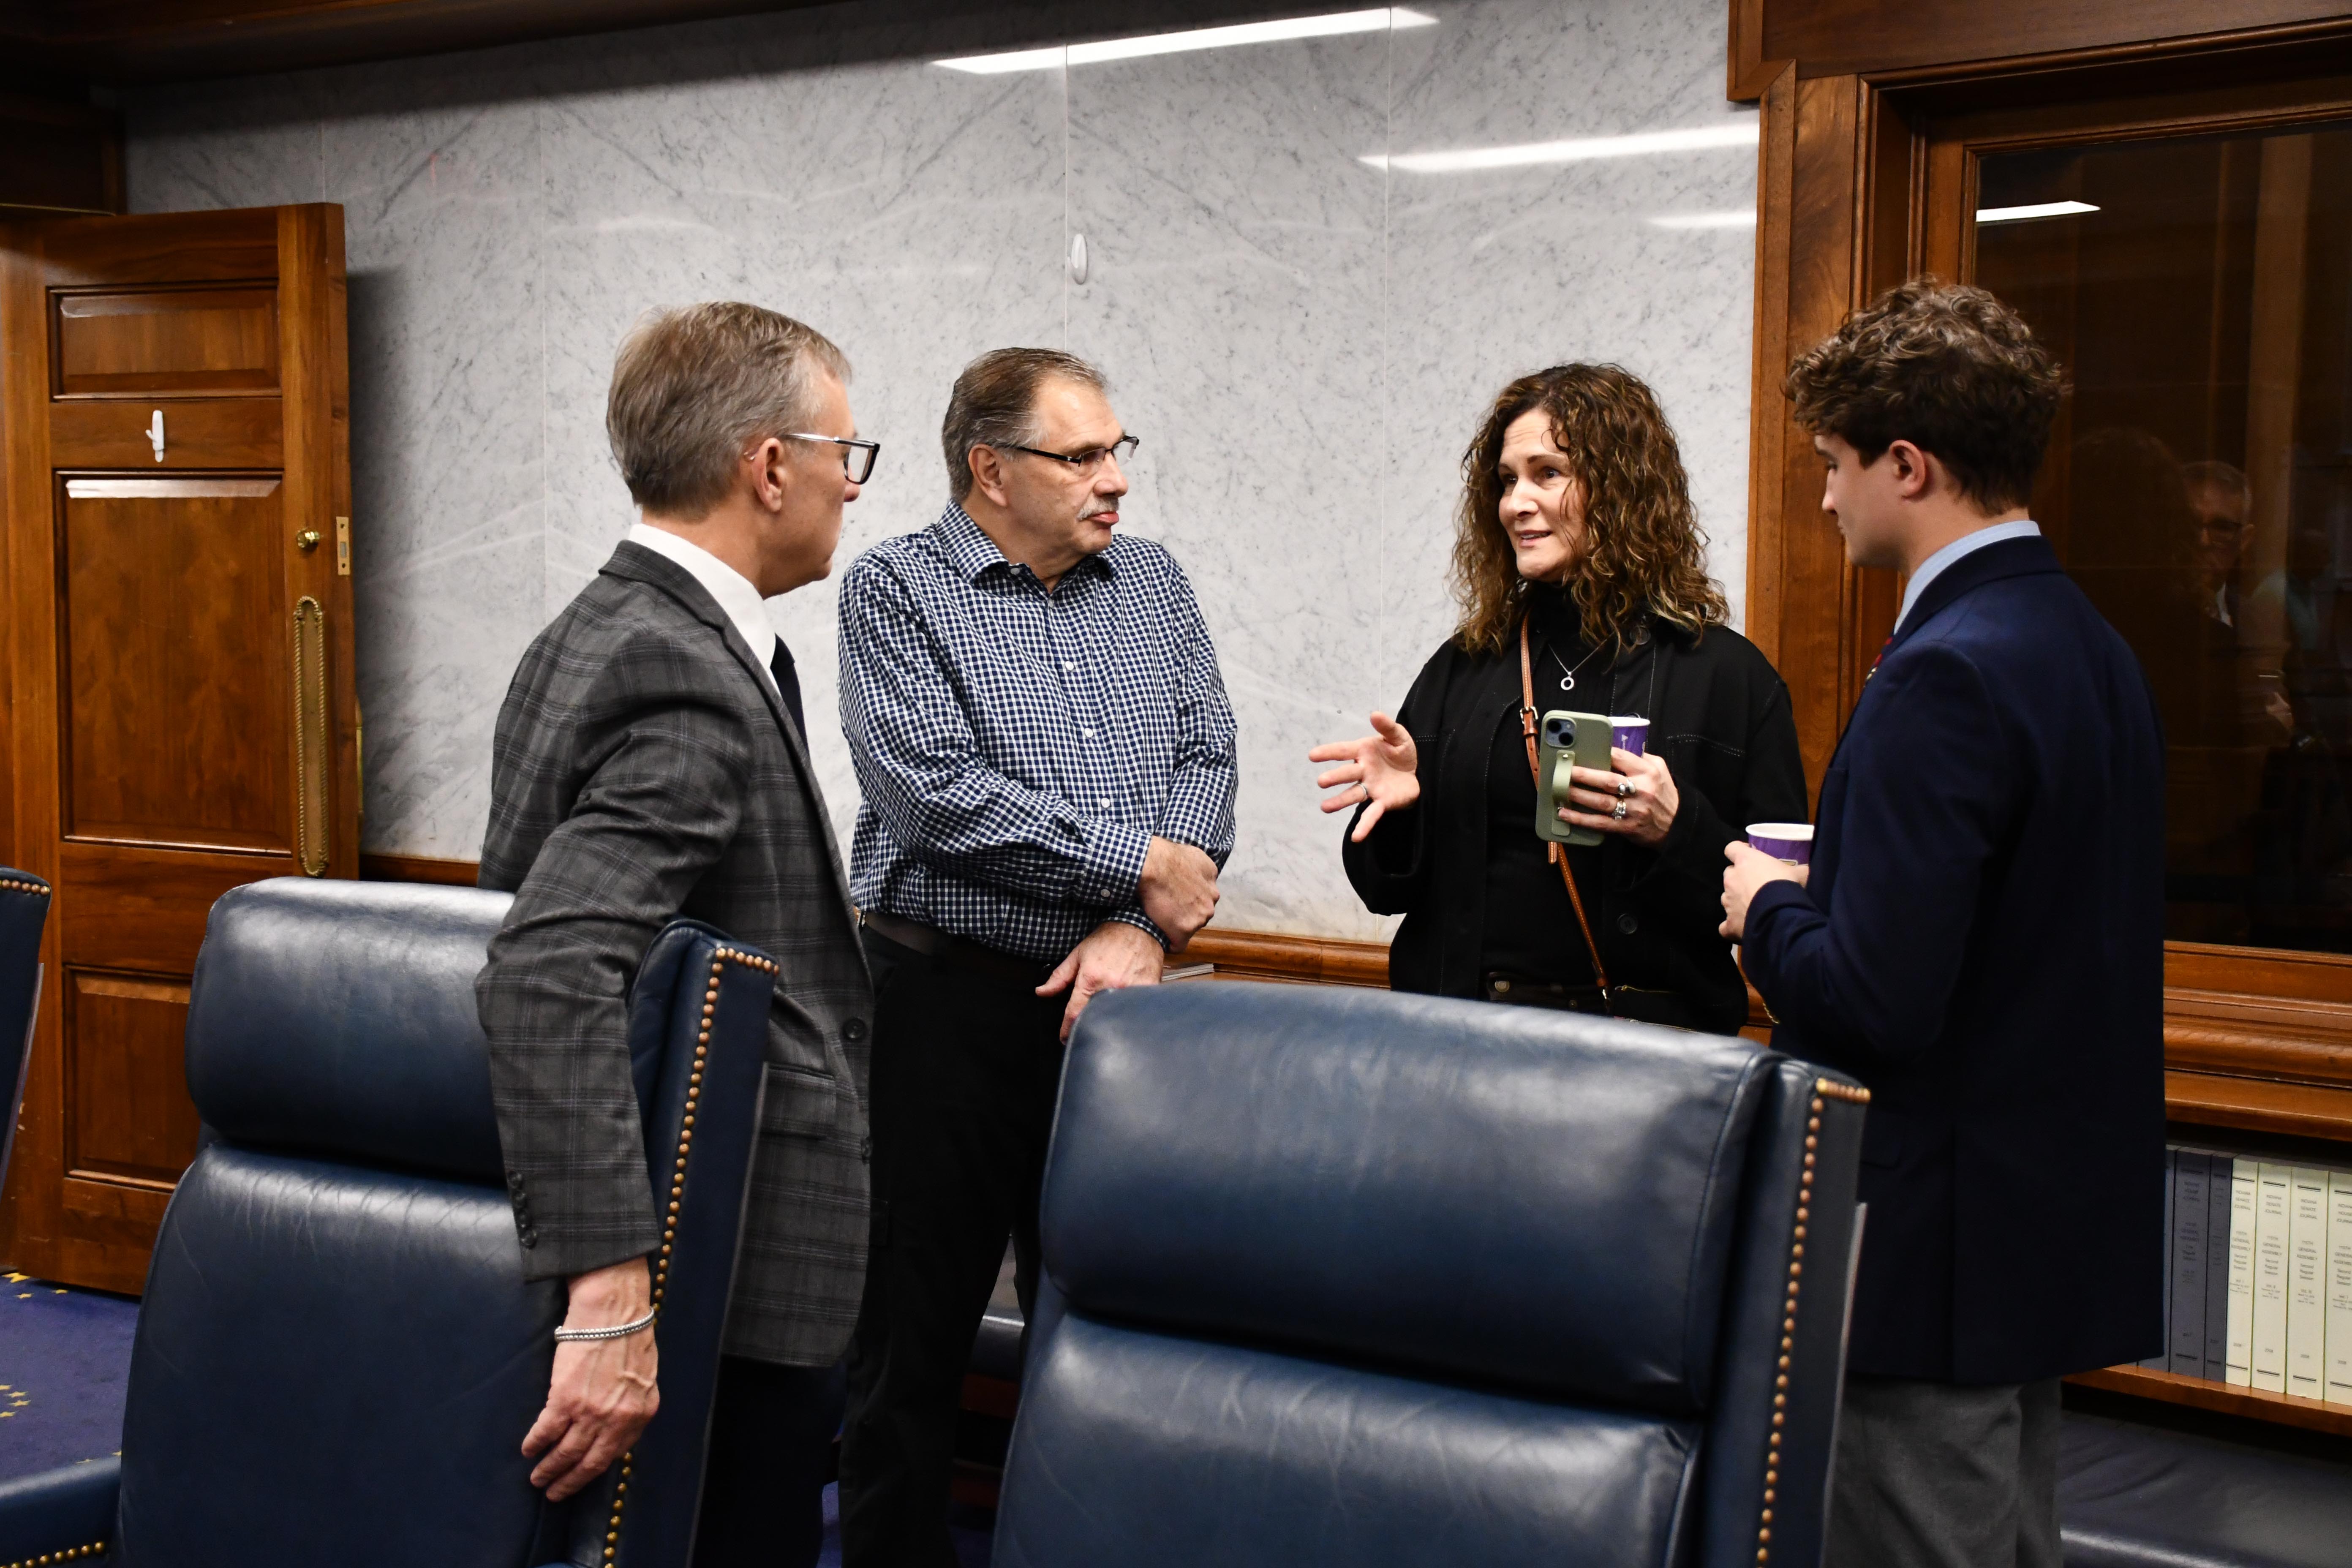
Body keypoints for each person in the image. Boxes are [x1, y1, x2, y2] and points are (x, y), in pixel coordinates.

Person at [1719, 279, 2165, 1568]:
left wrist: (1769, 911)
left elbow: (1876, 999)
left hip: (1931, 1252)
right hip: (2032, 1242)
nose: (1824, 497)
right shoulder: (2094, 648)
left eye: (1833, 463)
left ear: (1907, 466)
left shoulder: (1946, 671)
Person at [474, 302, 877, 1568]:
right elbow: (548, 968)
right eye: (846, 455)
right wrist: (611, 1296)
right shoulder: (683, 668)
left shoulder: (597, 628)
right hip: (714, 1269)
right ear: (771, 467)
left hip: (701, 1234)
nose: (852, 487)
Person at [833, 347, 1237, 1563]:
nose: (1116, 479)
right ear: (991, 469)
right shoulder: (896, 590)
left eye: (1118, 450)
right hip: (943, 1012)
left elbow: (1207, 760)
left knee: (1106, 1334)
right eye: (1083, 456)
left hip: (1118, 1015)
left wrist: (1140, 924)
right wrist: (1137, 863)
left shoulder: (1153, 583)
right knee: (911, 1340)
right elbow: (935, 798)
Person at [1311, 363, 1805, 1032]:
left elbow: (1783, 909)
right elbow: (1382, 890)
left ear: (1622, 488)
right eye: (1507, 480)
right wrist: (1402, 812)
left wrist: (1676, 827)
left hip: (1645, 1059)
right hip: (1463, 1044)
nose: (1516, 502)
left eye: (1548, 474)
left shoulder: (1729, 678)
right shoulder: (1465, 666)